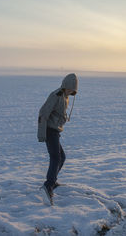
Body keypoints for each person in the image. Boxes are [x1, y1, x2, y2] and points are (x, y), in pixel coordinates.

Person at [38, 73, 78, 204]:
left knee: (62, 157)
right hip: (50, 130)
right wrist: (42, 133)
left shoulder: (65, 97)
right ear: (65, 85)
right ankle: (48, 186)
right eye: (70, 88)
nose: (71, 91)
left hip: (55, 130)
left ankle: (52, 181)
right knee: (56, 157)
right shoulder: (55, 96)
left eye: (73, 89)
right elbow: (43, 113)